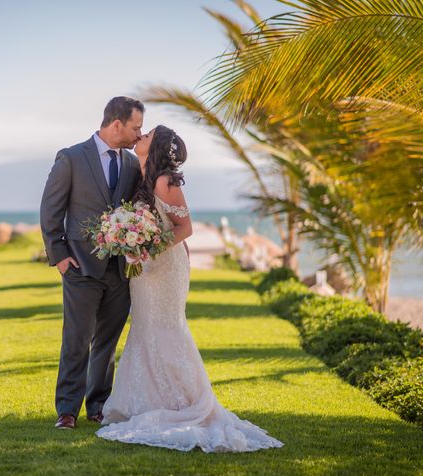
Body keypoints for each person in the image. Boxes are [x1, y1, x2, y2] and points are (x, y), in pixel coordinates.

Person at [96, 125, 284, 453]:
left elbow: (186, 228)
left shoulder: (165, 181)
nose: (141, 135)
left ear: (155, 146)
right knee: (144, 328)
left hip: (165, 268)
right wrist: (132, 241)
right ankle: (145, 401)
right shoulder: (141, 177)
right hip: (144, 270)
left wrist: (149, 247)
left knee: (166, 328)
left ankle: (182, 402)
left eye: (148, 133)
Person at [40, 96, 144, 429]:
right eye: (135, 127)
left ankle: (97, 405)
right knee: (76, 340)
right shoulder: (71, 158)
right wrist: (59, 257)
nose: (139, 134)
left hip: (119, 270)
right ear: (117, 124)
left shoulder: (131, 164)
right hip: (80, 266)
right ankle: (66, 411)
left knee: (106, 343)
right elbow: (50, 211)